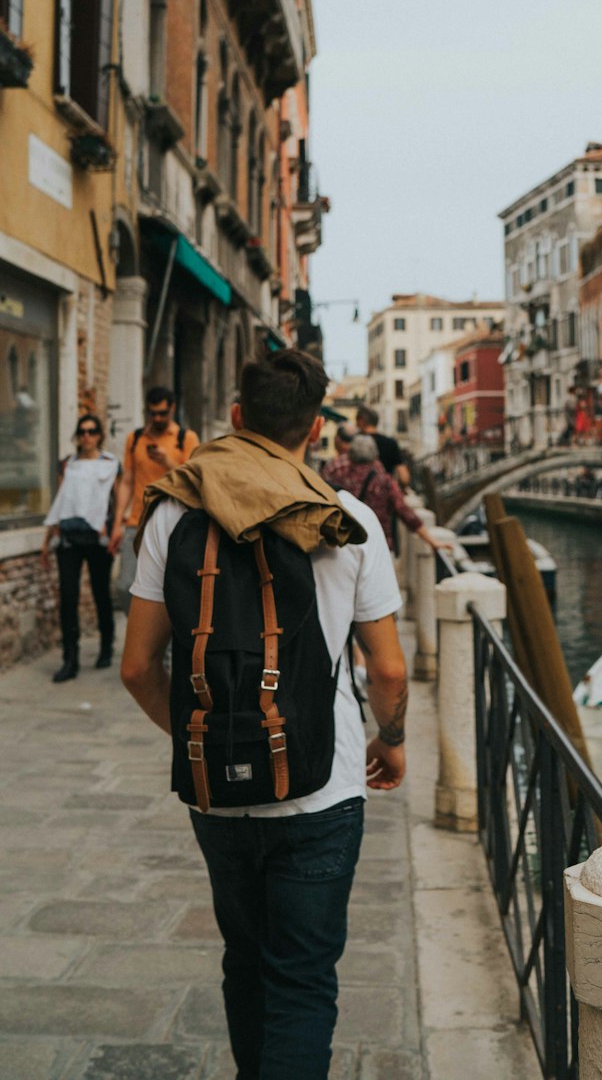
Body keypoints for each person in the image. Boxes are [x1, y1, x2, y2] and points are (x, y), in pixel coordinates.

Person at [120, 349, 407, 1080]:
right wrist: (393, 738)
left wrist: (205, 735)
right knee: (302, 978)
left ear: (237, 418)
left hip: (216, 788)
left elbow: (135, 666)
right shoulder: (349, 521)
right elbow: (389, 669)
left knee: (245, 961)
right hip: (323, 784)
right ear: (315, 429)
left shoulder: (172, 508)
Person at [41, 414, 120, 681]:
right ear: (78, 435)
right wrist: (46, 540)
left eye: (92, 431)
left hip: (98, 537)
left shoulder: (110, 464)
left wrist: (116, 531)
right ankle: (70, 659)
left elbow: (118, 500)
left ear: (99, 434)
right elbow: (61, 499)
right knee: (68, 597)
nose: (87, 436)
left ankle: (106, 646)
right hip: (69, 537)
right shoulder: (67, 465)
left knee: (100, 592)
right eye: (82, 431)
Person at [109, 387, 200, 605]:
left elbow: (192, 481)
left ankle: (163, 639)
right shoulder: (136, 438)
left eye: (162, 413)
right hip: (137, 521)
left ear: (172, 408)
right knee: (125, 587)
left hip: (173, 522)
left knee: (168, 588)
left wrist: (166, 461)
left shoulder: (186, 438)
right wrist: (117, 522)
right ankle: (141, 636)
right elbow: (127, 481)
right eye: (152, 413)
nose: (157, 418)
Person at [323, 435, 445, 557]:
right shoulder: (384, 481)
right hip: (378, 546)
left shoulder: (337, 476)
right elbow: (405, 512)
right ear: (375, 456)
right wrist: (431, 541)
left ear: (350, 455)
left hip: (344, 546)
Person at [356, 405, 410, 488]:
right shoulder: (391, 443)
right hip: (384, 493)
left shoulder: (355, 443)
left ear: (361, 421)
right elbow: (404, 478)